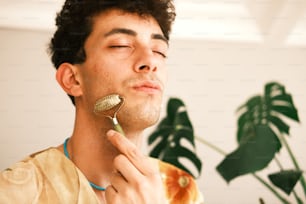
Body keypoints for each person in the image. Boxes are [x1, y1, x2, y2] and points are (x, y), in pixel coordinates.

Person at [0, 0, 203, 203]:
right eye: (121, 45)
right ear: (72, 80)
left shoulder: (182, 190)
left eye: (159, 51)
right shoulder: (13, 192)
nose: (150, 61)